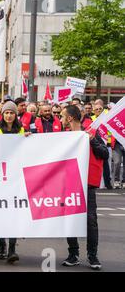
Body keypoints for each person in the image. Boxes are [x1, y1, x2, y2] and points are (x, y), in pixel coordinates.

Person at [60, 105, 108, 270]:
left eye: (62, 116)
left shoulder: (91, 134)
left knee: (91, 222)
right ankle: (73, 255)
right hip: (68, 185)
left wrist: (92, 141)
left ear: (70, 118)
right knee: (69, 220)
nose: (60, 119)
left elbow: (105, 153)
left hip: (87, 185)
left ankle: (92, 256)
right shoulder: (62, 137)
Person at [0, 101, 31, 264]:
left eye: (12, 112)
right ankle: (2, 245)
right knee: (0, 214)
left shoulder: (21, 130)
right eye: (6, 113)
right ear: (2, 114)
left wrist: (27, 138)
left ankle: (12, 249)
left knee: (13, 214)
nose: (9, 115)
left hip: (16, 178)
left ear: (15, 115)